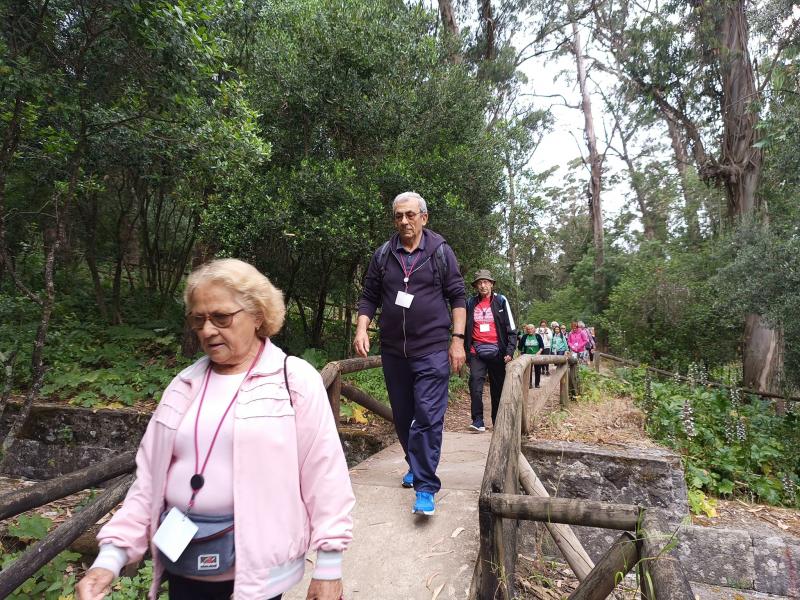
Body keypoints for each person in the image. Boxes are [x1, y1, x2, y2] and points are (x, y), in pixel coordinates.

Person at [76, 259, 354, 600]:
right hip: (183, 563)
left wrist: (328, 568)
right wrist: (110, 558)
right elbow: (148, 481)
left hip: (257, 578)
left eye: (221, 318)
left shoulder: (293, 380)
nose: (207, 330)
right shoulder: (183, 385)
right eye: (198, 320)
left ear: (257, 315)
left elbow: (325, 474)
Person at [354, 191, 466, 517]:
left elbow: (458, 297)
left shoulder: (440, 252)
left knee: (428, 418)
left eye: (411, 215)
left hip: (431, 349)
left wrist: (457, 340)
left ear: (424, 218)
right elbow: (369, 296)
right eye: (399, 216)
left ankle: (426, 486)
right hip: (393, 352)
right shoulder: (383, 255)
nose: (404, 221)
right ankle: (414, 463)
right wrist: (362, 328)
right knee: (403, 418)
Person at [463, 270, 517, 432]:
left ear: (492, 284)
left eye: (486, 282)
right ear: (476, 286)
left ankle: (497, 421)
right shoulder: (470, 303)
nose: (483, 285)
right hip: (476, 351)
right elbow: (464, 325)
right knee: (475, 383)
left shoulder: (501, 301)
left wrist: (510, 350)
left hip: (498, 351)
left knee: (497, 387)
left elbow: (512, 328)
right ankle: (478, 420)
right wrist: (465, 349)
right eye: (479, 283)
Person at [517, 324, 544, 388]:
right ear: (526, 330)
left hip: (537, 356)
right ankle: (529, 384)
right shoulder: (524, 337)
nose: (530, 330)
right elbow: (520, 347)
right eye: (528, 329)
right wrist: (519, 355)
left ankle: (537, 384)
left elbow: (542, 346)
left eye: (531, 329)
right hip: (527, 356)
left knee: (538, 370)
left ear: (534, 329)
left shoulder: (538, 336)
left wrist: (539, 352)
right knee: (528, 371)